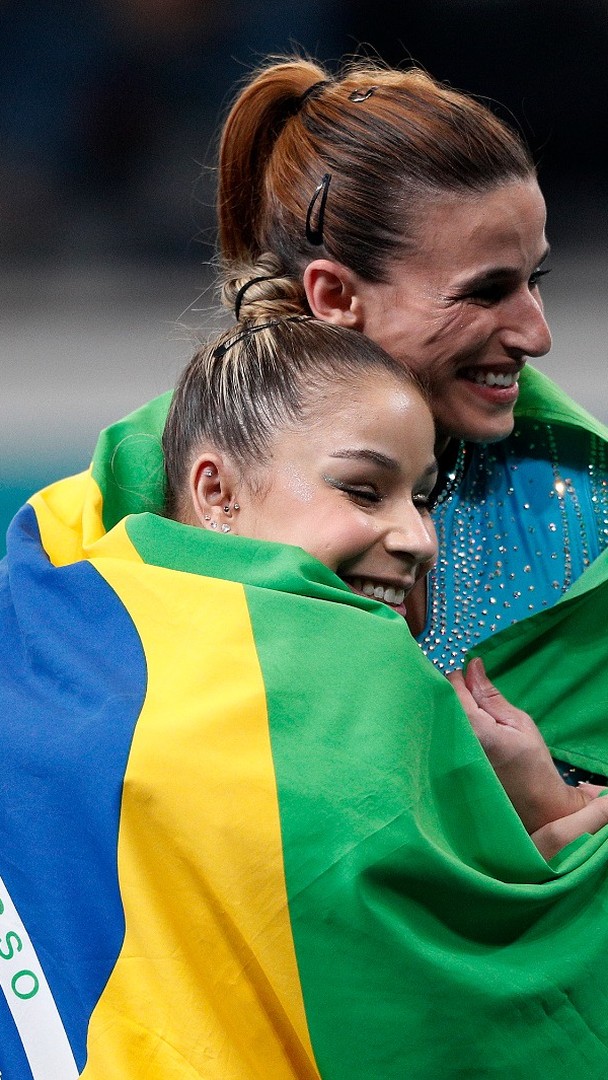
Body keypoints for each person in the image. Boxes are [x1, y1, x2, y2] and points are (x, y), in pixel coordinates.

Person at [5, 294, 608, 1078]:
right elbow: (454, 1011)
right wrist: (561, 842)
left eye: (422, 498)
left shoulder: (49, 627)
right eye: (364, 490)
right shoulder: (341, 698)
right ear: (216, 493)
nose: (420, 537)